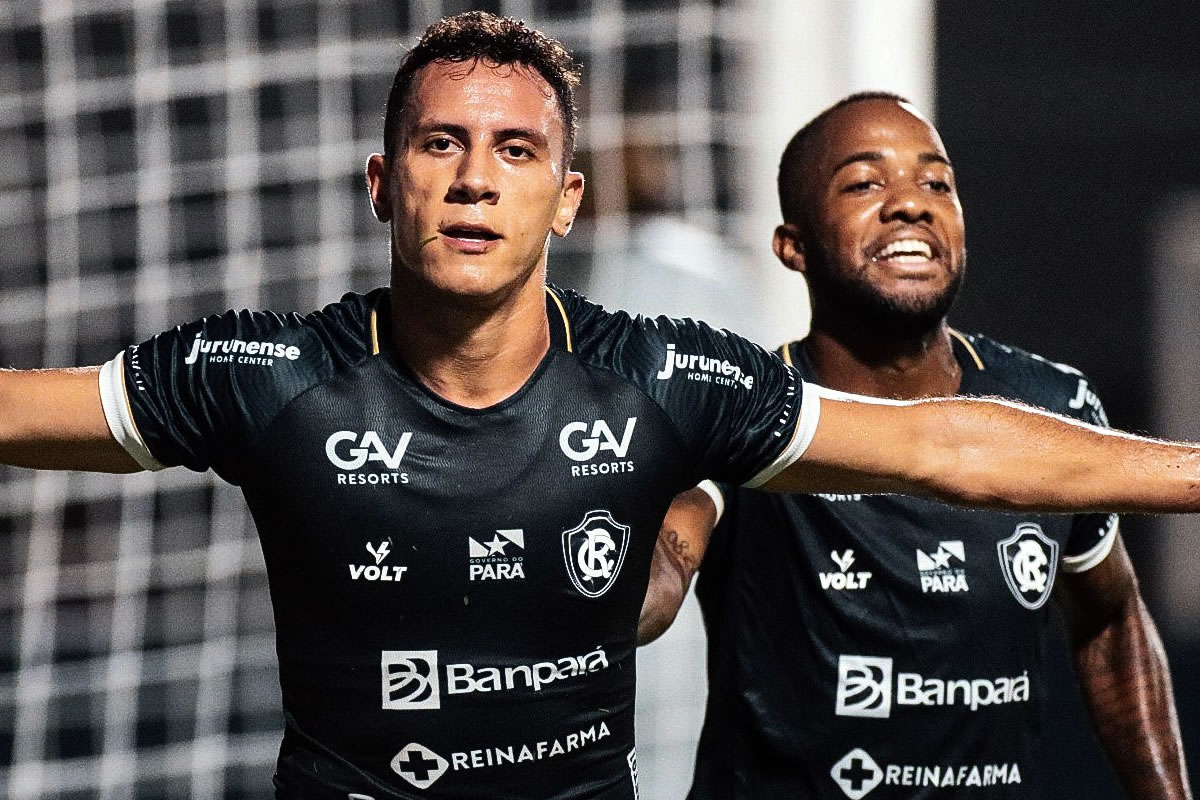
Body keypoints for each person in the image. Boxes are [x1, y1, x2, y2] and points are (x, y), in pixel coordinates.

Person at [3, 14, 1200, 800]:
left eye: (517, 151)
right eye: (441, 144)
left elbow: (945, 446)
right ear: (382, 182)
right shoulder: (265, 375)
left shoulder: (662, 377)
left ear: (568, 198)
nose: (476, 179)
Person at [639, 93, 1193, 799]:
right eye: (864, 183)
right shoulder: (746, 408)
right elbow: (658, 578)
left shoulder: (1050, 405)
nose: (911, 204)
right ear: (793, 246)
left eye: (936, 182)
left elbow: (1111, 618)